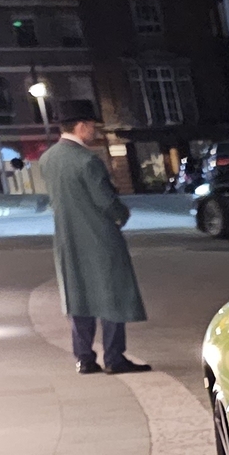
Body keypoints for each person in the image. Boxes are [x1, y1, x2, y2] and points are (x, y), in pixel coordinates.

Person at [35, 112, 150, 375]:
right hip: (100, 238)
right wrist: (122, 215)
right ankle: (114, 357)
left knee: (79, 297)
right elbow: (105, 201)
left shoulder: (48, 159)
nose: (95, 131)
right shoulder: (87, 160)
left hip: (66, 239)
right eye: (93, 126)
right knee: (112, 296)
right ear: (81, 125)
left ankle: (84, 358)